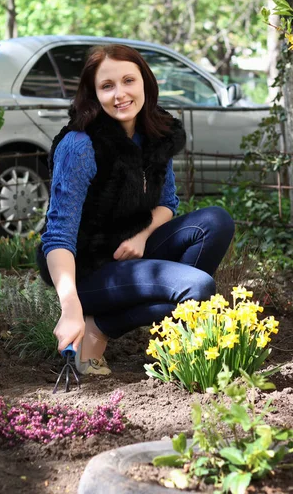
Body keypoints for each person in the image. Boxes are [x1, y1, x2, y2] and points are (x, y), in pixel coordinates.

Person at [37, 44, 235, 376]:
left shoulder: (155, 134)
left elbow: (167, 204)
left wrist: (143, 236)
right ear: (93, 94)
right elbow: (58, 237)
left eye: (129, 80)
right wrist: (69, 305)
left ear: (145, 82)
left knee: (216, 221)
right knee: (197, 287)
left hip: (130, 251)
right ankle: (174, 344)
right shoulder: (81, 146)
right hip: (88, 268)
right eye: (107, 86)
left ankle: (102, 325)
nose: (120, 94)